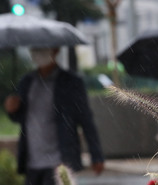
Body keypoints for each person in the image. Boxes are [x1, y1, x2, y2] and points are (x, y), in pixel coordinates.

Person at [4, 47, 104, 185]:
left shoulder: (71, 82)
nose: (36, 52)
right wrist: (12, 109)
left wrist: (96, 155)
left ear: (55, 50)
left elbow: (86, 120)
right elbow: (21, 118)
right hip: (32, 161)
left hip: (59, 161)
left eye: (42, 48)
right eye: (34, 48)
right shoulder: (27, 82)